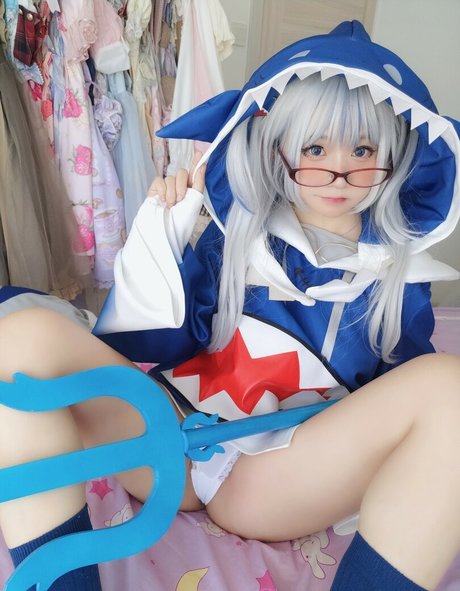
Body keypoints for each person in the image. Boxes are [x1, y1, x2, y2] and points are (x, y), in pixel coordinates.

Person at [1, 19, 460, 591]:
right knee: (21, 337)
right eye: (315, 148)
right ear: (276, 145)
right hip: (171, 434)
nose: (339, 172)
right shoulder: (230, 235)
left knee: (449, 386)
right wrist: (164, 238)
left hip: (269, 473)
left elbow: (397, 409)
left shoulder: (398, 280)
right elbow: (151, 343)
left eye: (362, 149)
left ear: (393, 156)